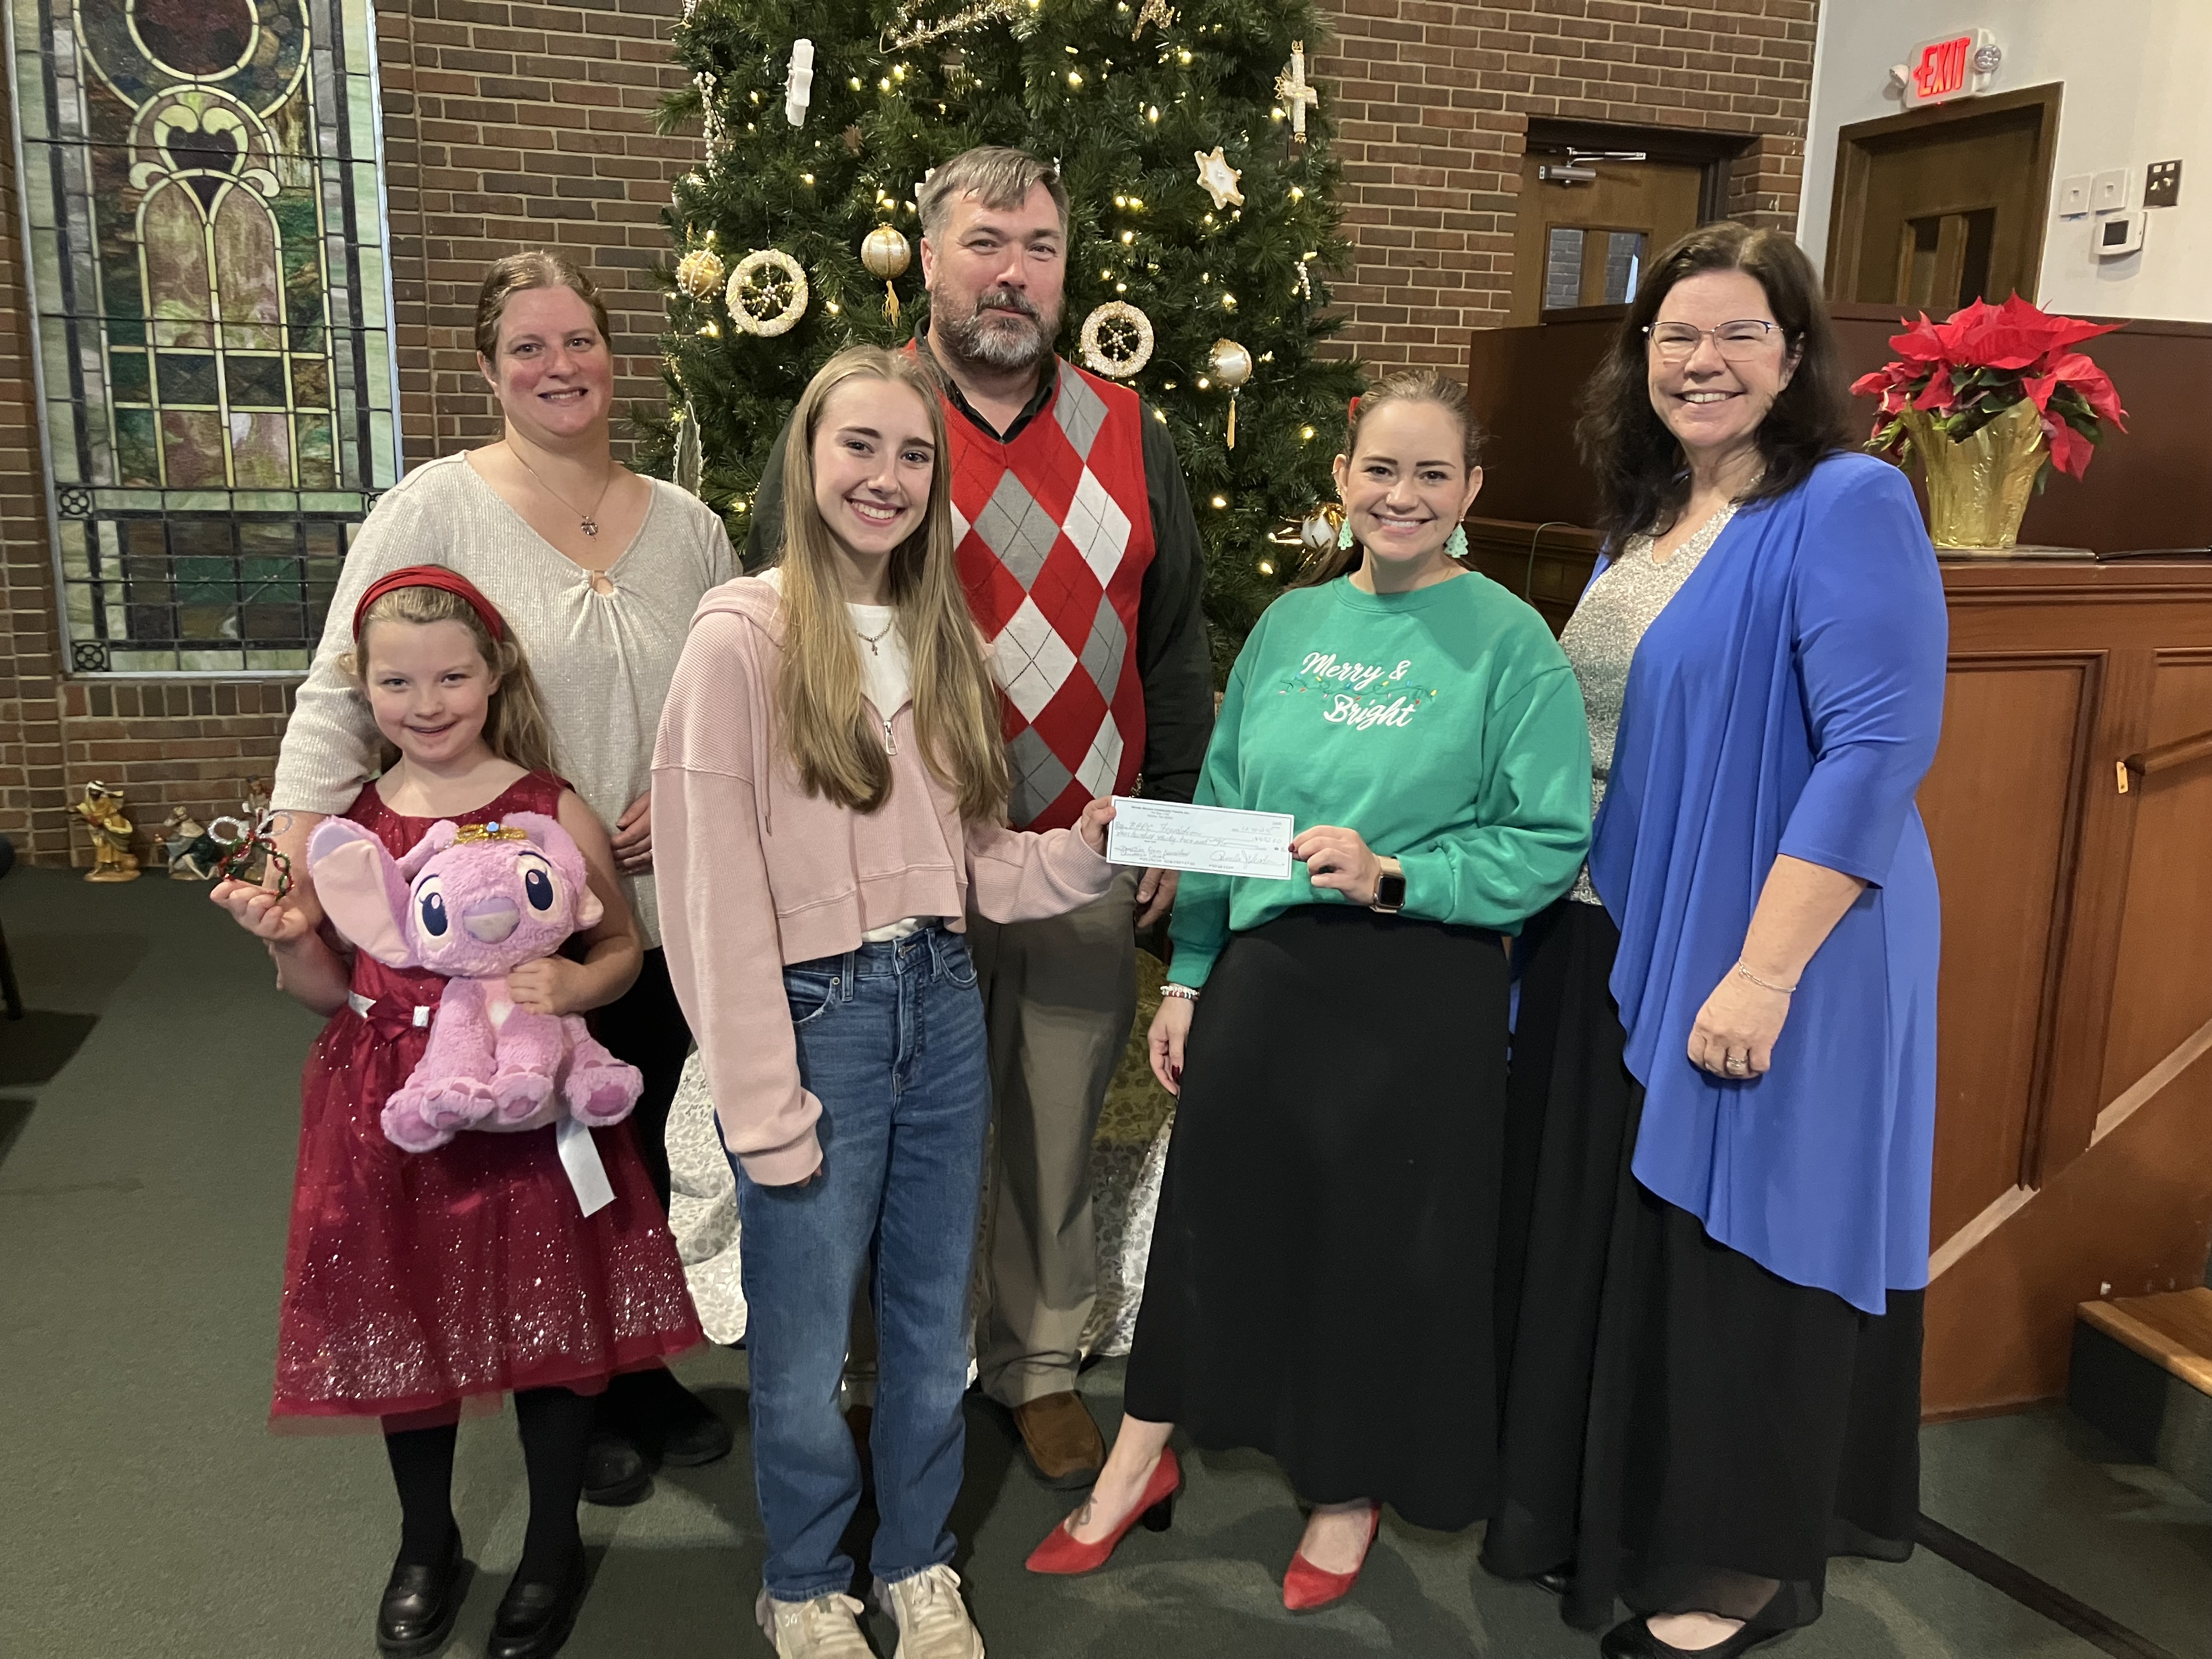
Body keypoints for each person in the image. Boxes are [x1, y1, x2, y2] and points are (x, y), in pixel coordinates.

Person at [1026, 368, 1592, 1608]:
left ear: (1471, 490)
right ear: (1343, 481)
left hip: (1418, 983)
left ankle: (1344, 1487)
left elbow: (1550, 840)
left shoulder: (1512, 643)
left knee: (1370, 1244)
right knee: (1209, 1217)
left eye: (1432, 474)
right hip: (1270, 976)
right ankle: (1141, 1452)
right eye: (1380, 469)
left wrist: (1398, 876)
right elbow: (1230, 813)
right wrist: (1188, 977)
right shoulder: (1290, 626)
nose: (1403, 495)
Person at [1482, 223, 1948, 1659]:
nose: (1704, 360)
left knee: (1736, 1256)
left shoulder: (1848, 500)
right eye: (1677, 334)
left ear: (1795, 355)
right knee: (1639, 1246)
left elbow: (1875, 750)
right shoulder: (1649, 513)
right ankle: (1615, 1522)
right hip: (1616, 933)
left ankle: (1725, 1577)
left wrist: (1763, 968)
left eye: (1742, 331)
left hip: (1769, 941)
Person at [746, 147, 1214, 1489]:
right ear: (930, 257)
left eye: (1041, 249)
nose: (1014, 274)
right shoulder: (870, 421)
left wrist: (1169, 822)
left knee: (1055, 1125)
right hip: (896, 867)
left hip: (1080, 856)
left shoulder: (1134, 432)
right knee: (874, 1132)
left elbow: (1175, 642)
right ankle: (871, 1369)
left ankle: (1039, 1362)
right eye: (986, 244)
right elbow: (789, 622)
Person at [656, 345, 1124, 1659]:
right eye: (859, 446)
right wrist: (760, 1100)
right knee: (806, 1343)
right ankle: (806, 1580)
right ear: (808, 460)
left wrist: (1084, 851)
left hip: (942, 1005)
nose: (887, 477)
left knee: (928, 1326)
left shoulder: (939, 635)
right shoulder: (741, 638)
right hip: (822, 1018)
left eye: (915, 454)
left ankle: (917, 1560)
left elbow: (973, 864)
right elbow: (707, 896)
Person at [270, 251, 736, 1493]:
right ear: (489, 371)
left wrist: (690, 789)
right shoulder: (438, 506)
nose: (559, 366)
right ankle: (564, 1382)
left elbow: (738, 693)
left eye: (579, 340)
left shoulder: (690, 526)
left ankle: (630, 1362)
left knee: (633, 1129)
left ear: (612, 355)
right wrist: (295, 851)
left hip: (649, 903)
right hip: (492, 920)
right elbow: (342, 687)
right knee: (525, 1162)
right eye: (528, 347)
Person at [216, 568, 703, 1659]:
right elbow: (322, 991)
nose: (426, 703)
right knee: (411, 1319)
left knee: (551, 1319)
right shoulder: (351, 824)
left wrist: (575, 984)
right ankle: (425, 1541)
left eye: (450, 677)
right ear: (364, 688)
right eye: (397, 682)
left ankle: (550, 1545)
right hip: (394, 1107)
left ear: (494, 676)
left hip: (533, 1110)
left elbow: (620, 946)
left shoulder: (548, 805)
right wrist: (288, 941)